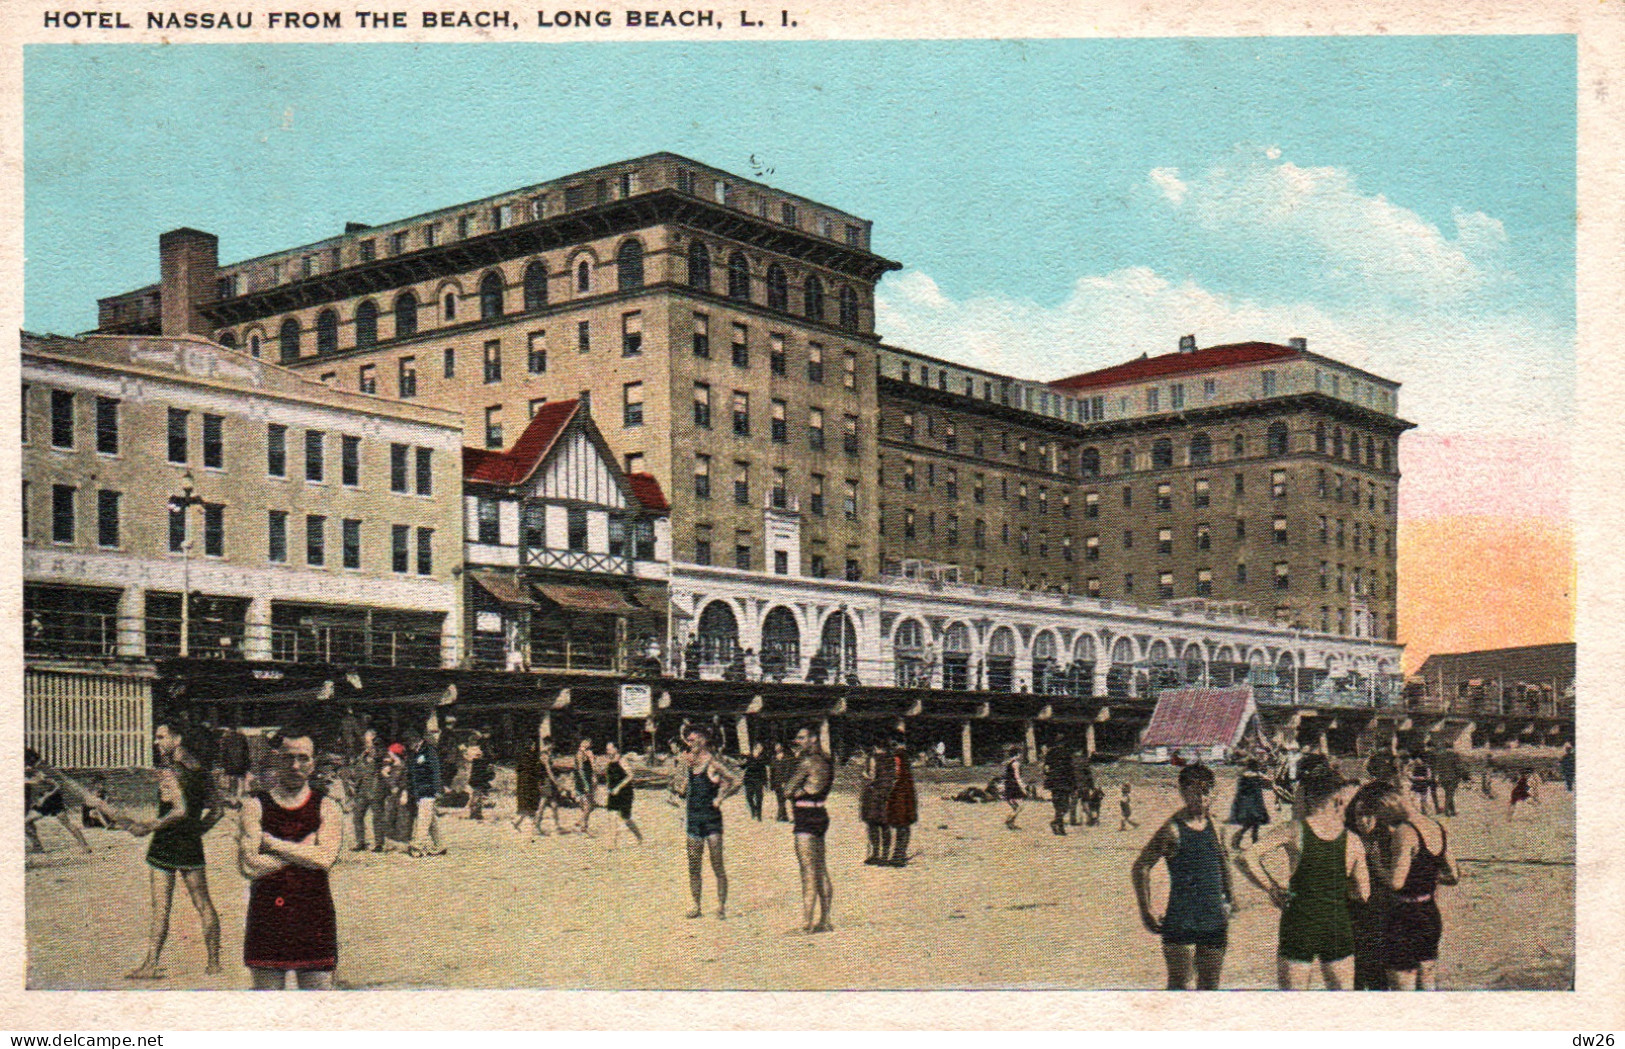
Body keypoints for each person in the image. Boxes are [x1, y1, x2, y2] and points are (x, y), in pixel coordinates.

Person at [1236, 767, 1370, 990]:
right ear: (1338, 799)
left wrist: (1272, 888)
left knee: (1294, 1003)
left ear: (1308, 798)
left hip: (1299, 922)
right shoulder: (1353, 840)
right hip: (1335, 922)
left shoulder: (1293, 830)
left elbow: (1246, 857)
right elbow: (1363, 893)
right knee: (1344, 1001)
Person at [237, 725, 342, 989]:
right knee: (267, 1010)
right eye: (288, 758)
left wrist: (272, 844)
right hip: (268, 917)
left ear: (313, 762)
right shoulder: (255, 806)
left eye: (303, 758)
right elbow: (249, 867)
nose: (295, 765)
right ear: (277, 760)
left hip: (313, 916)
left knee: (318, 1008)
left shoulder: (327, 807)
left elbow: (325, 859)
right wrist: (304, 848)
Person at [122, 724, 224, 979]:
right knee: (203, 903)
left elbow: (178, 810)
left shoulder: (171, 771)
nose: (156, 742)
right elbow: (218, 811)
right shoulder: (201, 770)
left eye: (161, 737)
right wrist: (197, 831)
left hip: (165, 842)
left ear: (178, 738)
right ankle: (214, 963)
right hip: (189, 842)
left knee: (161, 907)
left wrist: (148, 826)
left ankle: (150, 965)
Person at [1132, 764, 1235, 989]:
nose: (1201, 797)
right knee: (1180, 986)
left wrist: (1230, 900)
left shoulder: (1217, 826)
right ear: (1182, 792)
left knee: (1210, 986)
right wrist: (1146, 911)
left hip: (1213, 918)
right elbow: (1141, 866)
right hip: (1181, 918)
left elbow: (1224, 862)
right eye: (1194, 791)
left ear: (1213, 792)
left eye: (1206, 791)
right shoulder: (1173, 829)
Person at [1365, 781, 1459, 990]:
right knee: (1427, 982)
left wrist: (1376, 862)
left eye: (1378, 813)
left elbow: (1396, 883)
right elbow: (1453, 876)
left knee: (1403, 988)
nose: (1381, 821)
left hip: (1403, 916)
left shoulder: (1404, 832)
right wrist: (1427, 879)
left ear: (1386, 804)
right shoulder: (1437, 827)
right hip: (1429, 913)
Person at [674, 725, 739, 919]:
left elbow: (736, 780)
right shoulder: (688, 762)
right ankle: (696, 905)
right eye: (688, 740)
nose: (690, 743)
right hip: (693, 817)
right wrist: (683, 770)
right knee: (693, 865)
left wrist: (720, 797)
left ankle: (721, 906)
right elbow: (679, 789)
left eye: (693, 740)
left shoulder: (712, 762)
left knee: (716, 863)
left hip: (711, 818)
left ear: (703, 740)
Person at [1345, 781, 1398, 991]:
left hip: (1381, 908)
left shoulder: (1389, 839)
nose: (1363, 821)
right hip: (1353, 908)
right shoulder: (1347, 840)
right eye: (1359, 815)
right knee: (1356, 968)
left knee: (1378, 966)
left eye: (1369, 815)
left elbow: (1396, 881)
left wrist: (1375, 862)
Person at [782, 724, 834, 932]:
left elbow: (787, 790)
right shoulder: (828, 761)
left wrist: (797, 790)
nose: (799, 742)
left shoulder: (805, 762)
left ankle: (806, 923)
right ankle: (826, 919)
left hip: (804, 816)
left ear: (814, 738)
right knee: (821, 868)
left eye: (803, 738)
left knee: (807, 870)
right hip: (821, 813)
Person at [24, 750, 93, 855]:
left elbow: (56, 785)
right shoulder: (33, 769)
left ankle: (85, 846)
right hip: (46, 802)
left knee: (66, 823)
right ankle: (38, 846)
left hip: (53, 800)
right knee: (26, 822)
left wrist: (44, 797)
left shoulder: (43, 769)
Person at [406, 728, 446, 856]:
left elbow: (435, 771)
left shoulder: (429, 751)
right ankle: (440, 845)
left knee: (423, 819)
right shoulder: (415, 752)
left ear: (415, 740)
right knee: (430, 820)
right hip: (420, 791)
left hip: (429, 789)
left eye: (409, 742)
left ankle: (417, 847)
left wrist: (438, 789)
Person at [344, 729, 384, 851]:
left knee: (377, 817)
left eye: (368, 739)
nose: (366, 741)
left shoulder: (379, 751)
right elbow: (357, 767)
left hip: (375, 788)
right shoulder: (363, 753)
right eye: (365, 739)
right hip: (362, 789)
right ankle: (360, 842)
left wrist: (373, 746)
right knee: (357, 816)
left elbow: (379, 757)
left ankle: (379, 844)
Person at [883, 739, 918, 865]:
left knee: (901, 824)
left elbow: (895, 776)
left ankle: (899, 855)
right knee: (903, 824)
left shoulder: (897, 757)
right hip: (906, 795)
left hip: (899, 795)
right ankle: (900, 853)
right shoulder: (905, 758)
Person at [602, 741, 643, 846]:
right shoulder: (608, 760)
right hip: (613, 792)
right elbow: (608, 776)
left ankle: (639, 836)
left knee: (626, 818)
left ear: (616, 749)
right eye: (607, 749)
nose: (608, 751)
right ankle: (613, 844)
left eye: (610, 749)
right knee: (612, 817)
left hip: (625, 792)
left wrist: (618, 787)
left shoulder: (622, 760)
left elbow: (630, 776)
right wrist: (608, 788)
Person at [860, 742, 896, 860]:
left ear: (875, 746)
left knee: (872, 823)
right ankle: (885, 854)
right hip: (888, 793)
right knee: (885, 824)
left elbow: (872, 776)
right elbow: (895, 777)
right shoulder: (892, 759)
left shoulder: (873, 758)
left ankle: (875, 853)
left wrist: (864, 774)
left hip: (874, 793)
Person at [1227, 758, 1272, 849]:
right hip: (1256, 802)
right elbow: (1268, 785)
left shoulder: (1244, 777)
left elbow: (1240, 791)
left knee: (1251, 823)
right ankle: (1247, 840)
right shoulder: (1258, 776)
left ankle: (1243, 840)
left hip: (1247, 802)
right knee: (1254, 823)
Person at [380, 742, 413, 852]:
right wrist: (386, 775)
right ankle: (391, 842)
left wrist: (405, 793)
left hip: (401, 795)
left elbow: (404, 782)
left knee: (402, 818)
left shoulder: (403, 766)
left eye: (390, 754)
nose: (389, 756)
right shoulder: (393, 766)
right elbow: (391, 784)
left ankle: (402, 843)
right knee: (389, 817)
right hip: (393, 796)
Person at [535, 737, 567, 835]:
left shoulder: (547, 754)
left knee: (554, 804)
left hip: (547, 781)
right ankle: (536, 826)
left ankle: (557, 826)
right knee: (543, 804)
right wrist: (557, 783)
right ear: (549, 744)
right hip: (546, 781)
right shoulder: (544, 755)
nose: (553, 746)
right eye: (552, 744)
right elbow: (549, 771)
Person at [1042, 743, 1075, 836]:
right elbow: (1071, 770)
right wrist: (1074, 786)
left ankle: (1057, 823)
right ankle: (1059, 825)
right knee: (1064, 806)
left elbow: (1045, 770)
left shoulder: (1050, 753)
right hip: (1064, 783)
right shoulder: (1067, 754)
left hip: (1054, 783)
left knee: (1058, 805)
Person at [512, 731, 541, 835]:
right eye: (533, 745)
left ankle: (518, 824)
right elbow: (533, 770)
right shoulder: (530, 757)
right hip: (529, 784)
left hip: (524, 784)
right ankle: (535, 828)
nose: (534, 746)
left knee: (528, 808)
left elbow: (518, 769)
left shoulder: (522, 756)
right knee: (531, 807)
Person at [466, 732, 494, 821]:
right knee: (477, 794)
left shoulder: (473, 751)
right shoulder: (480, 752)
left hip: (476, 775)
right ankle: (476, 812)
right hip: (479, 775)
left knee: (476, 794)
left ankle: (475, 812)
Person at [573, 739, 598, 835]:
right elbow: (580, 770)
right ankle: (580, 823)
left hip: (587, 780)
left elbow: (593, 767)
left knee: (589, 806)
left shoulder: (587, 753)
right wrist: (586, 784)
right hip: (583, 782)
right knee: (588, 806)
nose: (589, 744)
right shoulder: (580, 754)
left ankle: (583, 825)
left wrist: (592, 758)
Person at [1000, 744, 1027, 830]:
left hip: (1008, 784)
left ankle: (1011, 823)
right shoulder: (1016, 763)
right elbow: (1017, 777)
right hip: (1014, 786)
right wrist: (1023, 788)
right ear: (1018, 753)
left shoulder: (1008, 763)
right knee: (1020, 806)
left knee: (1015, 806)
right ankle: (1009, 820)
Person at [1432, 747, 1465, 817]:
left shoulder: (1440, 755)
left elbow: (1437, 767)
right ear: (1452, 747)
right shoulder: (1454, 755)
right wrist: (1460, 776)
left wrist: (1438, 777)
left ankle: (1452, 811)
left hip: (1442, 778)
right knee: (1450, 794)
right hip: (1452, 777)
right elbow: (1458, 766)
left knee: (1448, 793)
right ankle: (1446, 810)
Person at [741, 742, 770, 822]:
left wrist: (766, 782)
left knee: (759, 798)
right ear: (755, 748)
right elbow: (743, 767)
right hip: (749, 779)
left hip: (759, 779)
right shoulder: (749, 756)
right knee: (749, 797)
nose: (760, 749)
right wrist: (742, 761)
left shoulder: (763, 757)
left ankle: (759, 815)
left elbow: (764, 770)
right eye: (759, 747)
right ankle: (754, 810)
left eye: (761, 748)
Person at [769, 741, 796, 822]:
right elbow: (772, 771)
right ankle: (783, 816)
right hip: (777, 782)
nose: (777, 748)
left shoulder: (788, 757)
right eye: (775, 746)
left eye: (778, 746)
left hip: (787, 782)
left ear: (782, 747)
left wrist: (785, 781)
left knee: (791, 800)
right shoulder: (773, 758)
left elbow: (789, 770)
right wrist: (772, 783)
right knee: (780, 799)